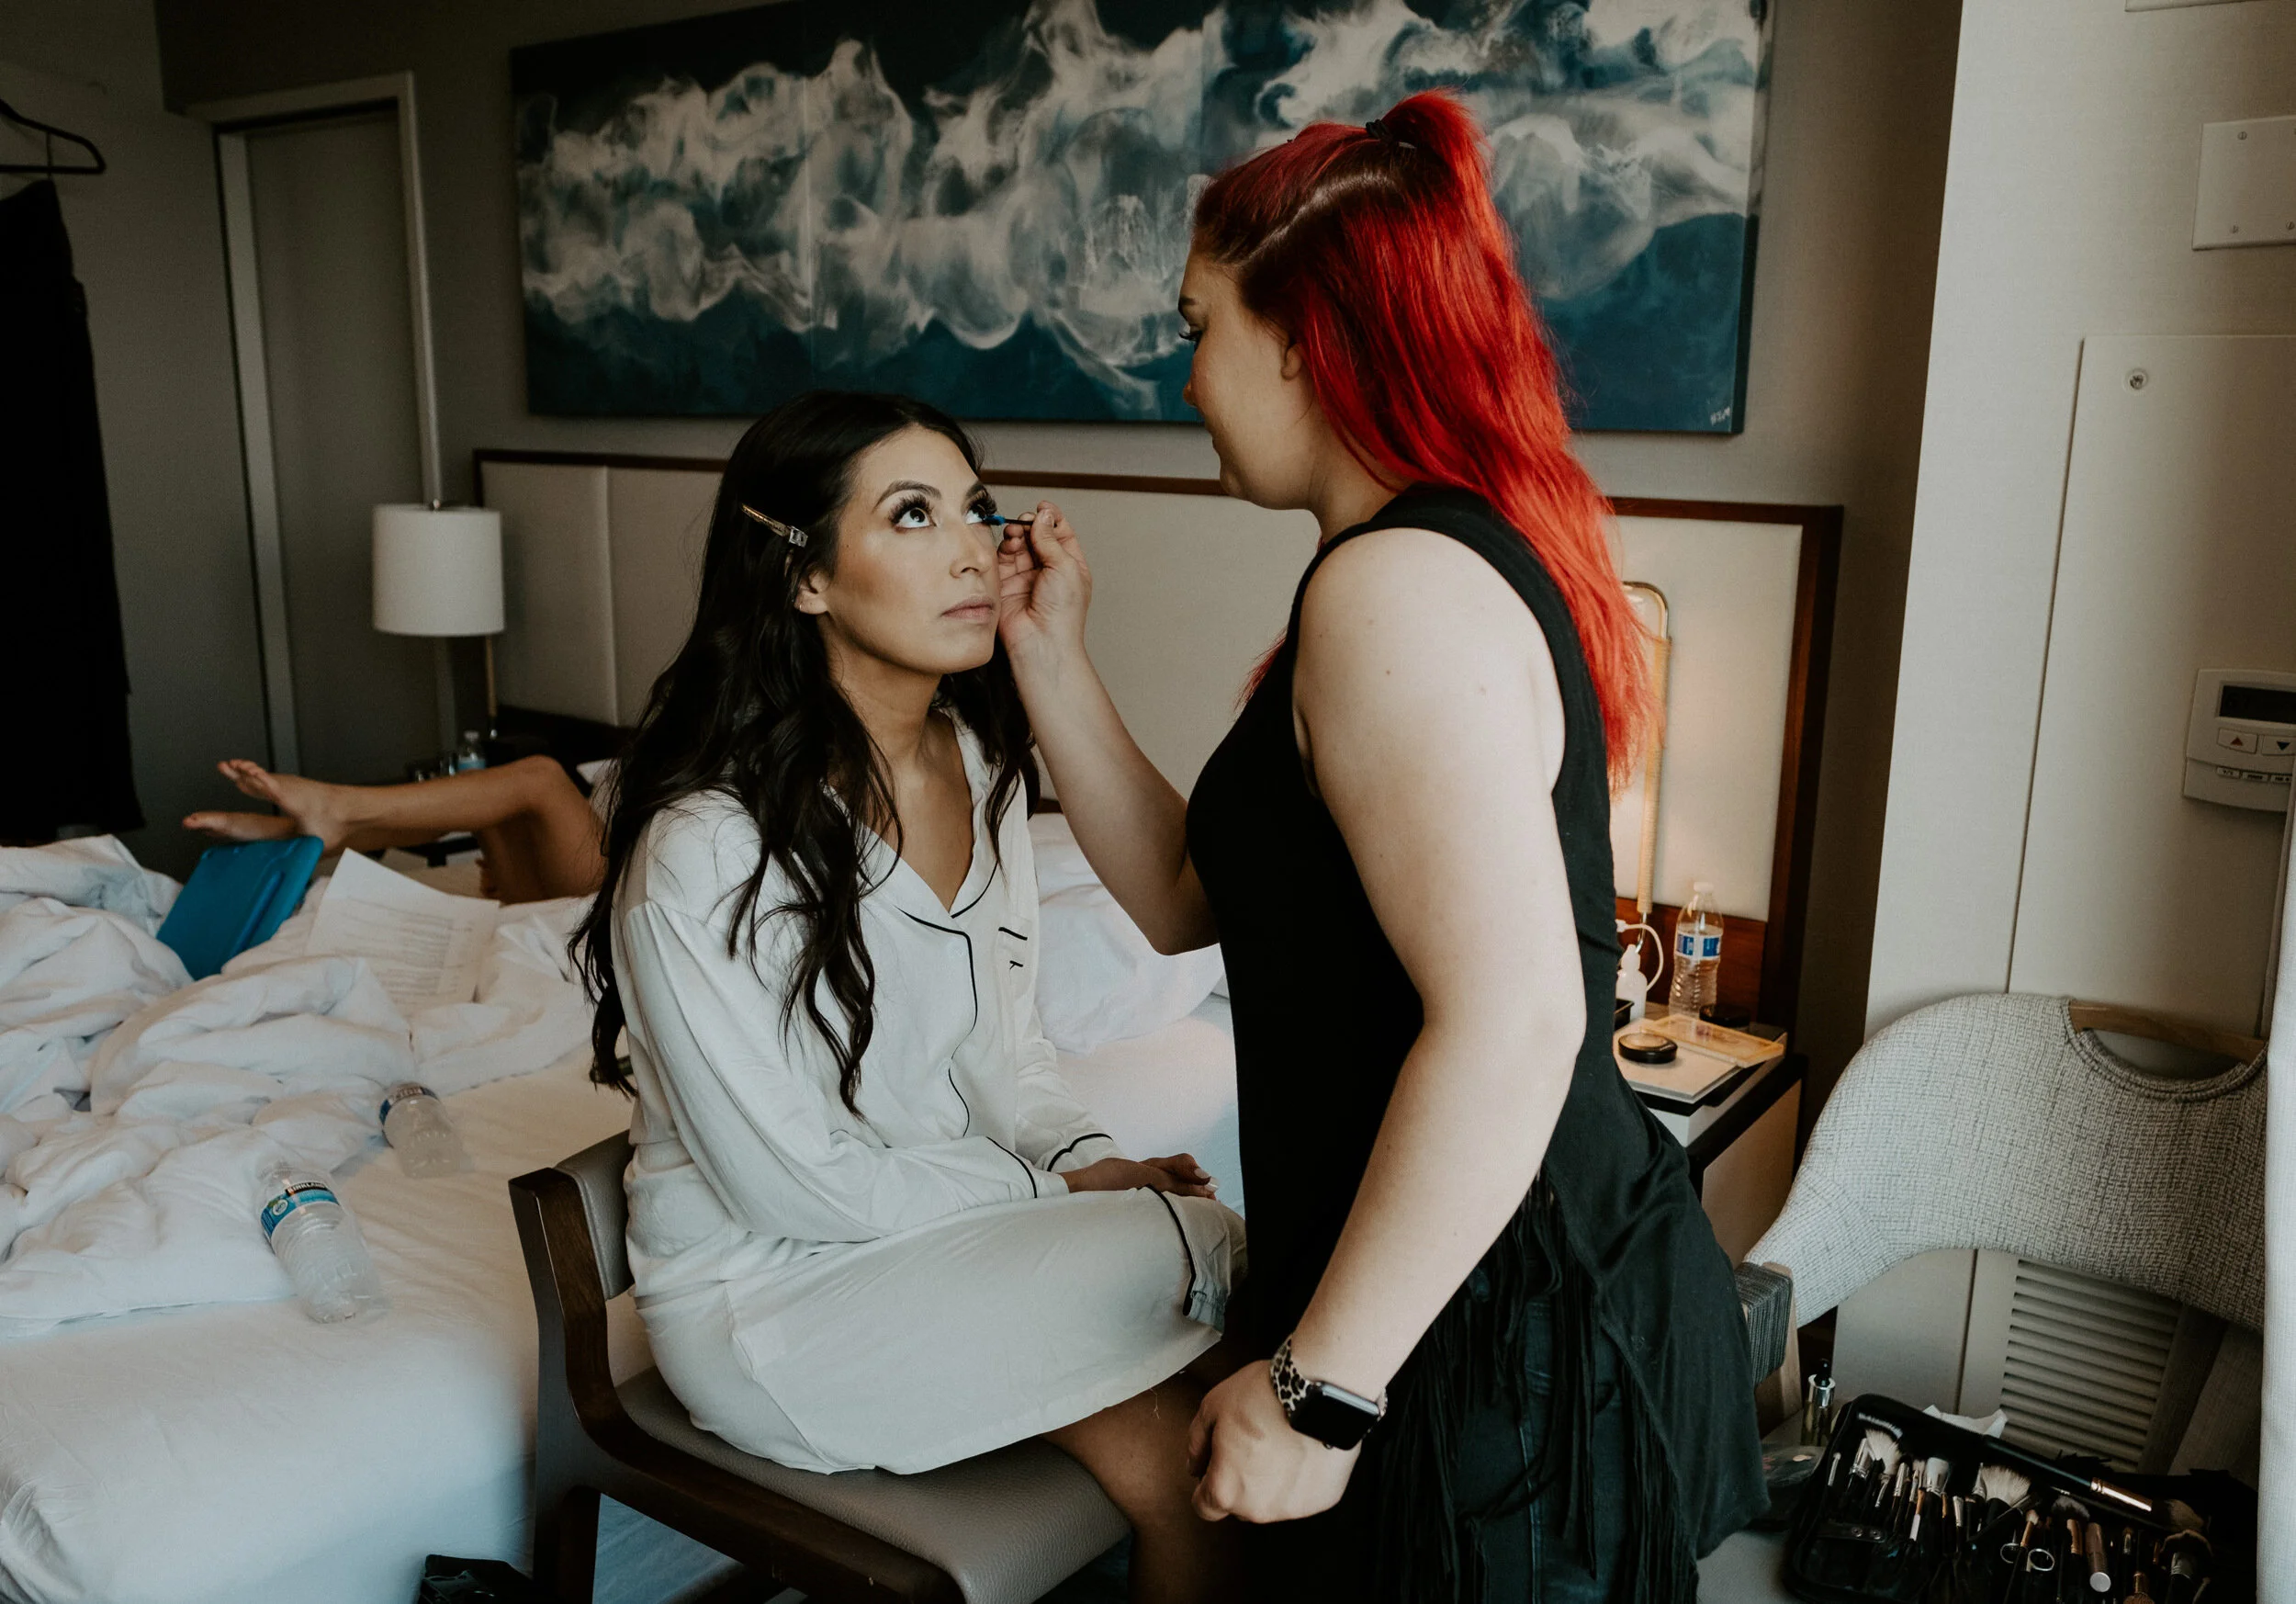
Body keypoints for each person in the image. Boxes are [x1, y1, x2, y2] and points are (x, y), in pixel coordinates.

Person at [996, 93, 1765, 1602]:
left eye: (1198, 327)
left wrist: (1318, 1390)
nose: (1187, 377)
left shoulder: (1395, 587)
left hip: (1487, 1322)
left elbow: (1520, 1022)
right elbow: (1180, 901)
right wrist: (1050, 661)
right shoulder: (1412, 561)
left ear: (1304, 337)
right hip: (1465, 1289)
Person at [565, 391, 1248, 1604]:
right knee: (1236, 1261)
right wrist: (1060, 1191)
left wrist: (1085, 1155)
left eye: (977, 508)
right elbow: (793, 1181)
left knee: (1195, 1434)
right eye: (914, 514)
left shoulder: (977, 767)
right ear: (806, 576)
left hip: (937, 1237)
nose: (973, 546)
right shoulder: (704, 848)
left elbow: (1008, 1057)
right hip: (772, 1297)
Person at [184, 753, 605, 905]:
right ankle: (291, 833)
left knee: (542, 778)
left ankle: (329, 813)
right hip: (560, 901)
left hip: (616, 899)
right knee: (480, 803)